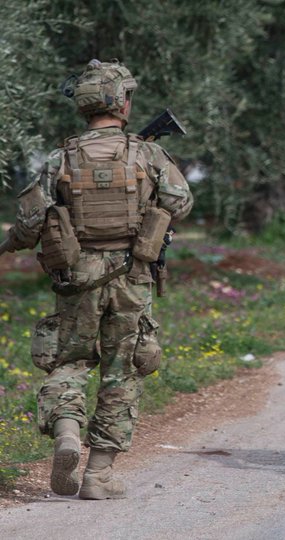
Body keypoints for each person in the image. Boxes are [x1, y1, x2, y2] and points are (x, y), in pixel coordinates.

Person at [0, 60, 193, 499]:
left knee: (69, 362)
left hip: (77, 274)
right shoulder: (148, 154)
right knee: (123, 370)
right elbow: (180, 204)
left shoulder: (61, 158)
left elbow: (31, 222)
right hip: (133, 274)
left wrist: (11, 243)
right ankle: (98, 475)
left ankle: (67, 432)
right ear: (122, 102)